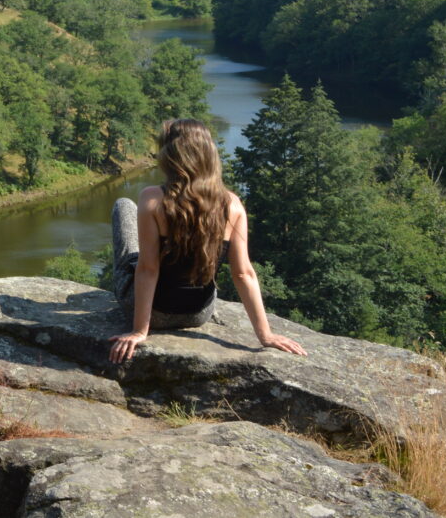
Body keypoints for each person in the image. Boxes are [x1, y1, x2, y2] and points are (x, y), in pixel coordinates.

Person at [107, 118, 307, 363]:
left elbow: (149, 269)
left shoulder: (152, 199)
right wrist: (265, 335)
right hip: (198, 314)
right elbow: (244, 274)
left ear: (171, 156)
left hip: (155, 314)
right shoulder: (233, 204)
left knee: (124, 206)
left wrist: (140, 331)